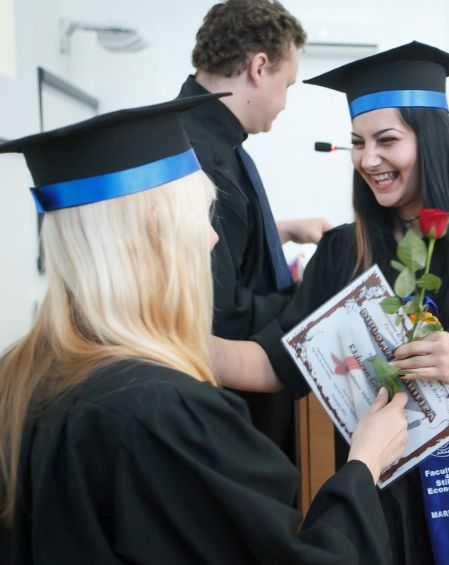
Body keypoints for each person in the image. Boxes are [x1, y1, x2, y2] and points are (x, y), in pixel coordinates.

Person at [212, 41, 449, 564]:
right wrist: (164, 340)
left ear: (432, 140)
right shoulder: (345, 250)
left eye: (386, 140)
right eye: (357, 143)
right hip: (387, 501)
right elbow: (276, 364)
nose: (369, 160)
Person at [0, 96, 409, 563]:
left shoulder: (19, 380)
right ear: (158, 229)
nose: (213, 236)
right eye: (202, 216)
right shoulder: (165, 414)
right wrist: (364, 463)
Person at [176, 0, 331, 461]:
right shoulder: (202, 160)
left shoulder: (197, 136)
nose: (284, 102)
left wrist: (279, 230)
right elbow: (223, 313)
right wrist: (315, 299)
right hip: (231, 410)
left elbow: (225, 241)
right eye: (288, 85)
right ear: (259, 67)